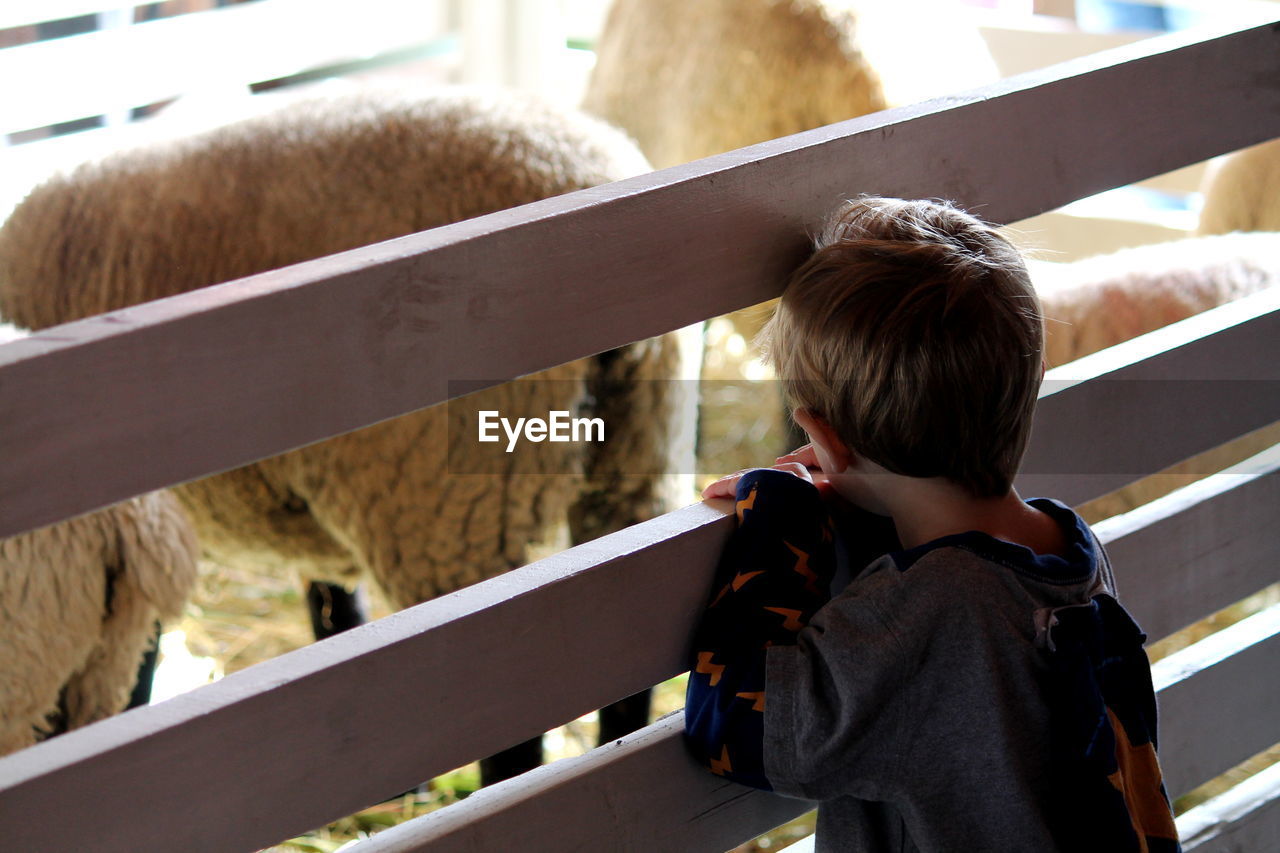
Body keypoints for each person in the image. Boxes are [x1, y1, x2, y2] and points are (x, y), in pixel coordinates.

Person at [684, 197, 1181, 852]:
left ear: (824, 441)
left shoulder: (933, 612)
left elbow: (735, 730)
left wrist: (782, 524)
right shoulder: (1069, 553)